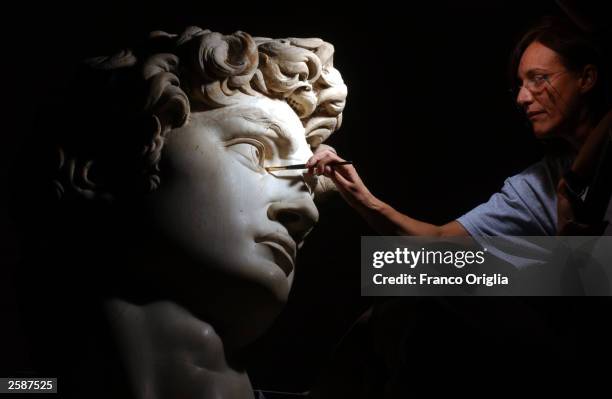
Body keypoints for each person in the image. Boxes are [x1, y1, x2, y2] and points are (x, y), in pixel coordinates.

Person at [10, 26, 347, 399]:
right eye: (256, 151)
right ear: (110, 162)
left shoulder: (384, 362)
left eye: (309, 187)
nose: (306, 210)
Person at [307, 15, 611, 239]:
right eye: (519, 84)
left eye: (539, 79)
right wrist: (361, 196)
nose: (522, 97)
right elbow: (440, 244)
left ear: (586, 78)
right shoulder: (538, 186)